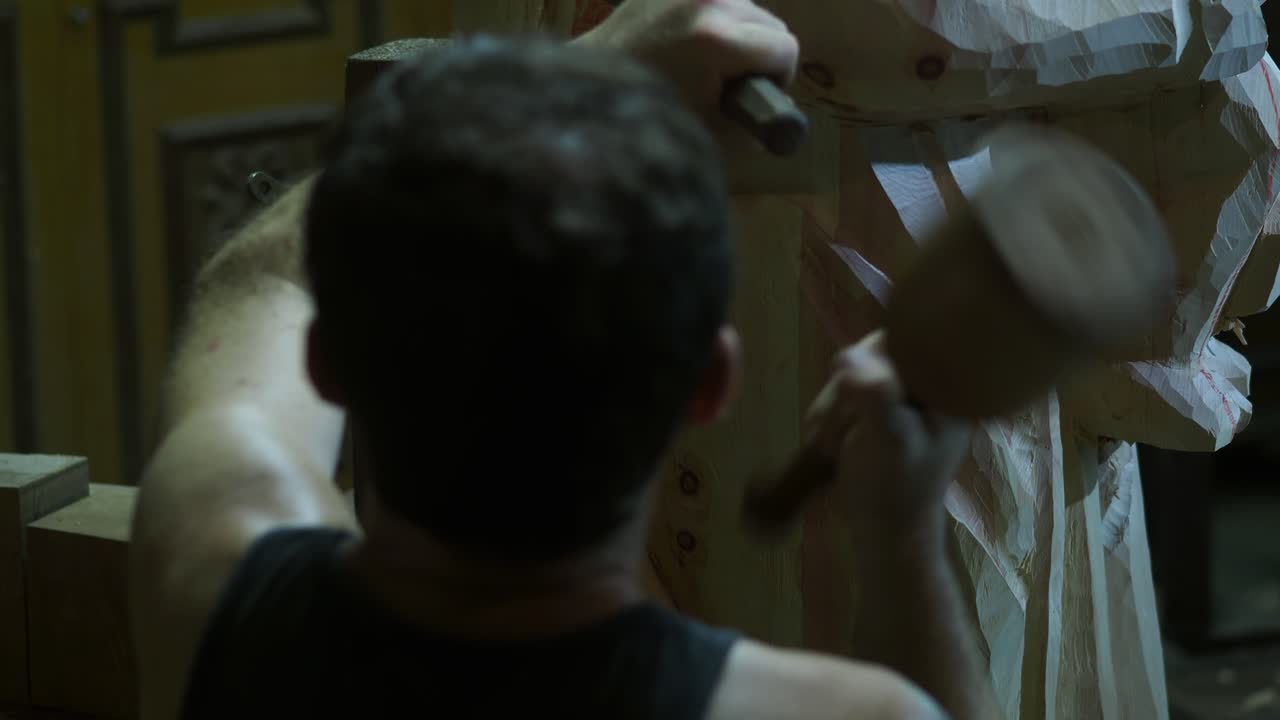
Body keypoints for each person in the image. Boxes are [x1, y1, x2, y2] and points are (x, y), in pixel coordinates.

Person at [128, 1, 999, 718]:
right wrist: (902, 537)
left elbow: (261, 279)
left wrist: (600, 61)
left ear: (329, 363)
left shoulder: (213, 584)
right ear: (709, 385)